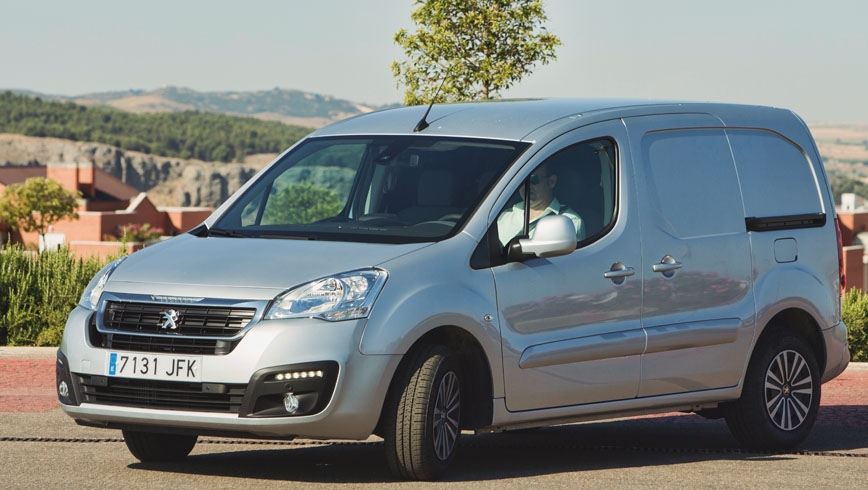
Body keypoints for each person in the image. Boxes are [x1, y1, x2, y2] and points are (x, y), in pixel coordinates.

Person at [497, 163, 585, 246]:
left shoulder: (570, 221)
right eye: (522, 179)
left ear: (551, 182)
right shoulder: (504, 216)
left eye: (533, 179)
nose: (526, 185)